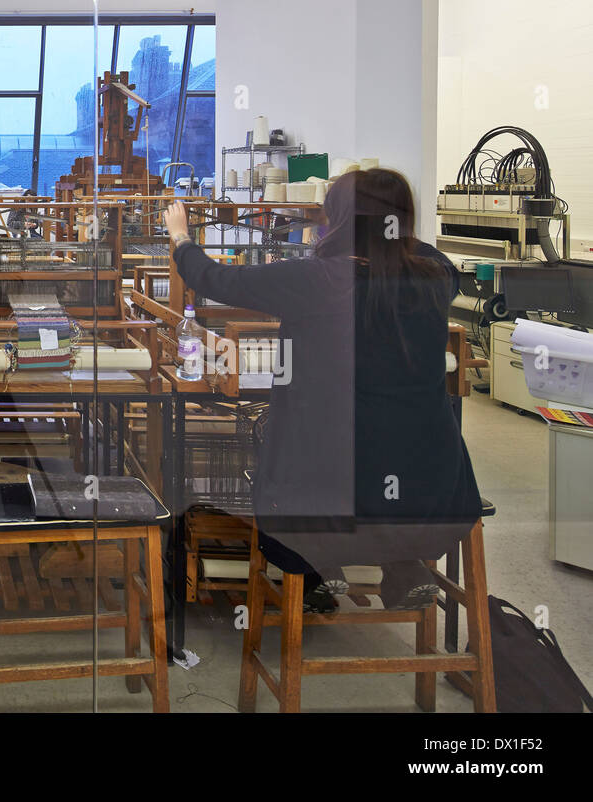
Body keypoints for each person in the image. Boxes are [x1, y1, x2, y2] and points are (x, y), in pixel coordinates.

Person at [163, 169, 481, 611]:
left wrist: (180, 236)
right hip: (434, 502)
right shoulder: (434, 279)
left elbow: (217, 280)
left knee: (300, 454)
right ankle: (400, 562)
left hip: (323, 509)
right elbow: (422, 253)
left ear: (339, 220)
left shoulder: (315, 280)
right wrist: (388, 233)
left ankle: (318, 564)